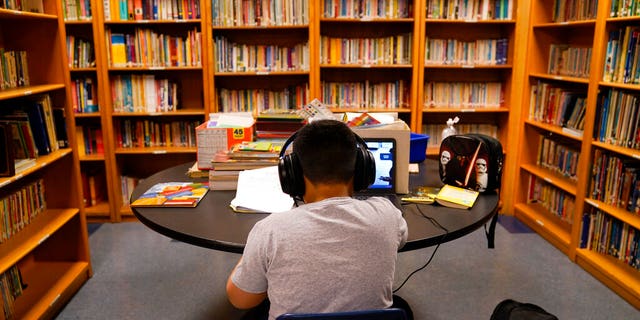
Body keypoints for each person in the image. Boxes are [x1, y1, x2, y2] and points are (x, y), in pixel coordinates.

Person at [226, 119, 409, 320]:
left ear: (292, 174)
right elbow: (399, 239)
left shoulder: (269, 230)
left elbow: (240, 300)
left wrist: (256, 249)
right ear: (362, 169)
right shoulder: (388, 215)